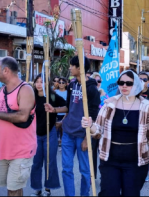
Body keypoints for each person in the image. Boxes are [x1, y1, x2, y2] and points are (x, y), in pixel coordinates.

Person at [81, 70, 149, 196]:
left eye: (129, 83)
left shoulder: (147, 108)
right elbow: (98, 132)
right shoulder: (109, 105)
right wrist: (90, 125)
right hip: (110, 160)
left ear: (136, 85)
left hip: (136, 162)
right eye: (121, 82)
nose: (124, 86)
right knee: (108, 193)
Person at [44, 56, 100, 196]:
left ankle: (84, 194)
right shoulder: (71, 85)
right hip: (68, 133)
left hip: (83, 135)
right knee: (66, 169)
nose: (69, 68)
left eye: (71, 66)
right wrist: (55, 110)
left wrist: (88, 139)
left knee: (85, 170)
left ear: (79, 68)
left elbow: (94, 116)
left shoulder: (92, 89)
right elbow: (69, 107)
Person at [0, 57, 37, 196]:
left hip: (21, 151)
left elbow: (22, 116)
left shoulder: (25, 89)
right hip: (5, 150)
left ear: (6, 70)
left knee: (13, 189)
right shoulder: (3, 90)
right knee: (12, 188)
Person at [30, 74, 66, 197]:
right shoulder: (31, 97)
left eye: (42, 81)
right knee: (36, 163)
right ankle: (36, 188)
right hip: (34, 134)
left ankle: (47, 189)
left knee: (50, 162)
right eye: (37, 81)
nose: (39, 84)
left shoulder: (51, 96)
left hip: (50, 133)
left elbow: (67, 107)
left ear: (47, 84)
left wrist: (59, 118)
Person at [89, 72, 107, 180]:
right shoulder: (88, 95)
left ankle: (104, 177)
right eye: (95, 81)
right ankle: (92, 176)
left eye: (99, 81)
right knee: (92, 153)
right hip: (92, 127)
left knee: (103, 154)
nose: (97, 83)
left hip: (104, 128)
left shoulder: (106, 95)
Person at [55, 77, 68, 149]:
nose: (61, 84)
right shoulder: (55, 91)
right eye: (59, 82)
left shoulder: (68, 92)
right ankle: (55, 144)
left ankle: (63, 145)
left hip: (65, 114)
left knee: (63, 130)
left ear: (66, 84)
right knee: (55, 130)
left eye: (63, 82)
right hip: (56, 114)